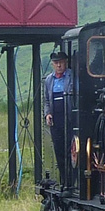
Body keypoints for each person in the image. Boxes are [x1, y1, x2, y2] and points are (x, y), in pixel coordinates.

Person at [44, 50, 74, 184]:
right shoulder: (49, 80)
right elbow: (46, 99)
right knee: (59, 149)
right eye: (56, 63)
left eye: (61, 62)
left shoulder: (71, 76)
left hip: (69, 116)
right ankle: (63, 179)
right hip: (56, 117)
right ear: (53, 64)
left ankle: (71, 180)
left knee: (70, 148)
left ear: (65, 63)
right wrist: (47, 113)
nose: (59, 65)